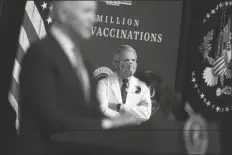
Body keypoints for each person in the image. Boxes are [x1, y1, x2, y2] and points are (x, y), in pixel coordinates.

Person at [16, 1, 114, 153]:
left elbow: (90, 114)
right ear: (63, 14)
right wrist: (104, 126)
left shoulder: (85, 63)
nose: (94, 19)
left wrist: (119, 124)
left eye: (94, 12)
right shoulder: (40, 54)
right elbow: (49, 118)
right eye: (87, 12)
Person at [96, 45, 152, 124]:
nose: (131, 64)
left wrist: (120, 107)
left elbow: (146, 113)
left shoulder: (143, 87)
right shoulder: (104, 84)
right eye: (126, 60)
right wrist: (128, 118)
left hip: (133, 133)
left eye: (133, 60)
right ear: (116, 63)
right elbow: (103, 109)